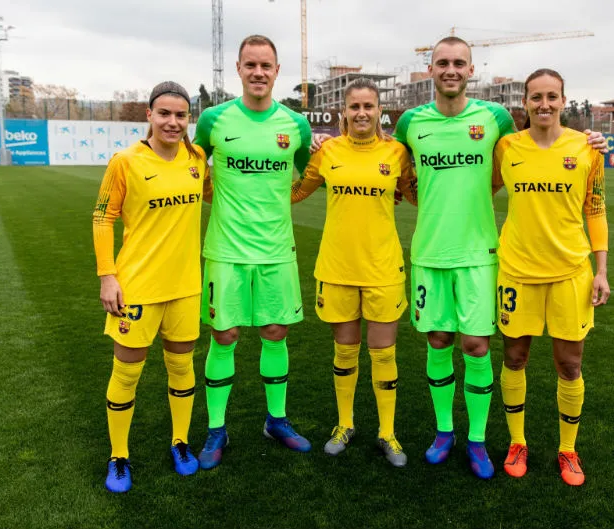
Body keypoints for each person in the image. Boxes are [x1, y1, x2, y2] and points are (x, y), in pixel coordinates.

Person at [393, 37, 607, 480]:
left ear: (472, 70)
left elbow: (518, 170)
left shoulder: (495, 120)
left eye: (460, 63)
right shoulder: (411, 121)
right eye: (442, 62)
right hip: (430, 251)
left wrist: (593, 140)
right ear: (430, 69)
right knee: (438, 342)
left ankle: (477, 441)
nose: (451, 69)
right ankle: (445, 433)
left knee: (476, 347)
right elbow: (392, 164)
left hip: (481, 253)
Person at [193, 35, 313, 470]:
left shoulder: (295, 125)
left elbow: (310, 176)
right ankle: (217, 429)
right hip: (226, 249)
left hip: (277, 250)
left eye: (266, 65)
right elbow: (192, 168)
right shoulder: (213, 119)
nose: (258, 72)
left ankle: (276, 420)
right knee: (224, 335)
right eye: (251, 65)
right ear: (239, 69)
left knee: (275, 332)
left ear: (277, 71)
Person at [291, 78, 417, 467]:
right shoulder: (328, 150)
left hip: (383, 268)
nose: (361, 113)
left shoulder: (397, 153)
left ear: (380, 111)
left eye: (368, 106)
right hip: (338, 267)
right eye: (354, 106)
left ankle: (387, 432)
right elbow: (297, 191)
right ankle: (344, 424)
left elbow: (417, 195)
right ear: (343, 111)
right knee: (344, 351)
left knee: (383, 352)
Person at [492, 68, 610, 487]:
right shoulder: (506, 147)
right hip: (516, 270)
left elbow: (595, 209)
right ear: (525, 102)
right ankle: (517, 442)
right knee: (514, 358)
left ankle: (567, 449)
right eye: (536, 97)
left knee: (569, 364)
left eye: (552, 96)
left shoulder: (587, 148)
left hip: (570, 273)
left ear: (563, 100)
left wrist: (601, 270)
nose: (544, 104)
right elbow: (479, 189)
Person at [92, 81, 211, 493]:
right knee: (127, 373)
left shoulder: (197, 159)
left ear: (189, 118)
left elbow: (217, 192)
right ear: (149, 116)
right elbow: (102, 218)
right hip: (137, 287)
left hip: (185, 285)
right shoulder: (125, 161)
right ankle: (118, 455)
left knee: (182, 367)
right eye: (164, 114)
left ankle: (180, 442)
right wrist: (107, 275)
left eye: (181, 115)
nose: (172, 122)